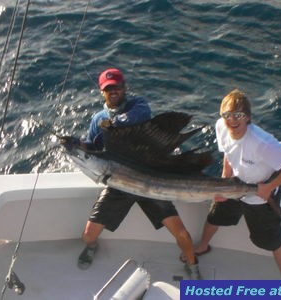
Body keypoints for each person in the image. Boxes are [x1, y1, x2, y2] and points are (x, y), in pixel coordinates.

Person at [62, 68, 201, 279]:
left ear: (124, 87)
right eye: (108, 88)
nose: (114, 91)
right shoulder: (97, 119)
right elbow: (92, 146)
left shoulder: (139, 105)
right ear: (102, 92)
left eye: (117, 86)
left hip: (149, 180)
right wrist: (76, 143)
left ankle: (192, 263)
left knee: (181, 233)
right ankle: (92, 248)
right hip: (118, 182)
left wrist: (115, 123)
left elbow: (139, 115)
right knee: (88, 235)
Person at [193, 89, 281, 280]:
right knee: (214, 217)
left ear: (248, 118)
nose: (233, 120)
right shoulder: (221, 126)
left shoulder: (262, 142)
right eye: (227, 115)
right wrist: (224, 182)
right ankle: (202, 246)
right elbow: (228, 154)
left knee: (272, 242)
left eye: (239, 115)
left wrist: (269, 187)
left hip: (261, 197)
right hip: (234, 186)